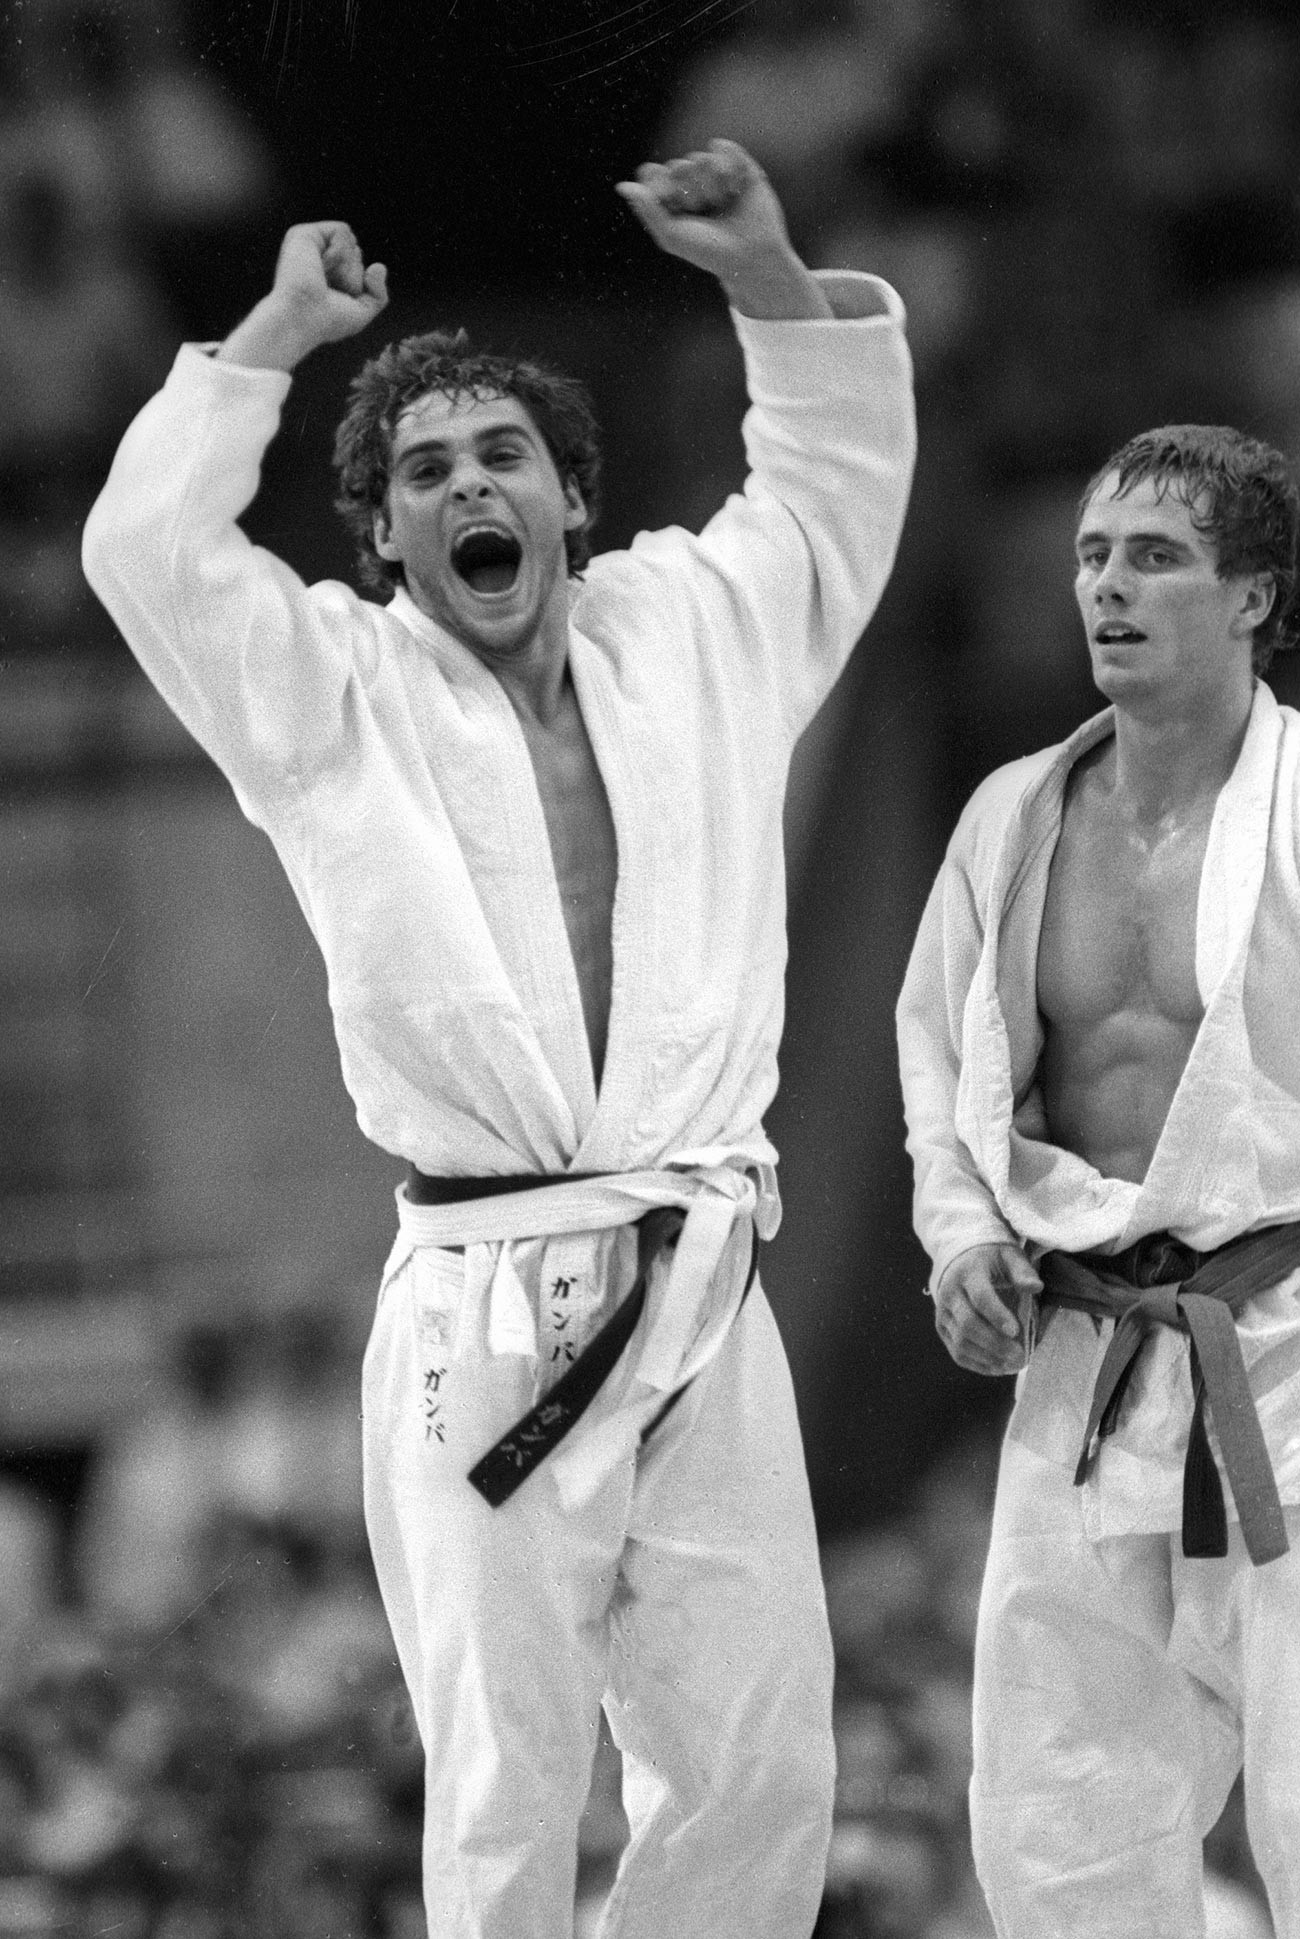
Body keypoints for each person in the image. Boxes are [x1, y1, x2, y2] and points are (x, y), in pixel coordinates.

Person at [83, 140, 916, 1939]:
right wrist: (271, 339)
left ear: (571, 502)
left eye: (503, 456)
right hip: (488, 1294)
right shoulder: (325, 690)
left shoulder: (694, 637)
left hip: (704, 1276)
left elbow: (834, 488)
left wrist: (768, 270)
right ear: (382, 534)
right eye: (424, 471)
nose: (470, 485)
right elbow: (145, 548)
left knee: (764, 1765)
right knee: (504, 1788)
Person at [897, 421, 1300, 1937]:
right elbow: (939, 1061)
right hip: (1086, 1369)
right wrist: (959, 1240)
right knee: (1058, 1811)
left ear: (1254, 595)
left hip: (1284, 1344)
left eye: (1156, 556)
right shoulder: (1014, 814)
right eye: (1090, 554)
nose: (1106, 587)